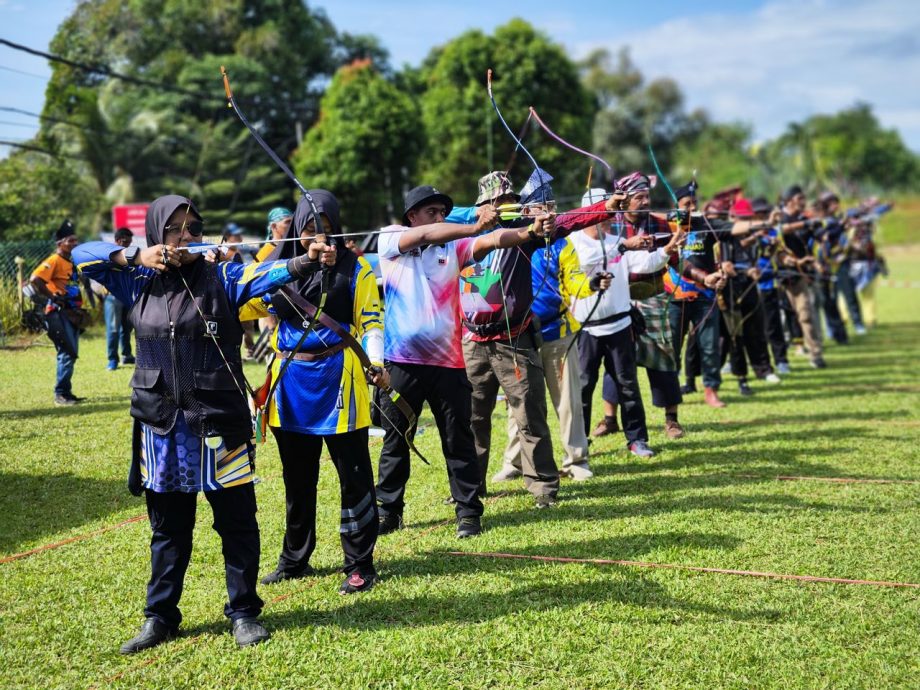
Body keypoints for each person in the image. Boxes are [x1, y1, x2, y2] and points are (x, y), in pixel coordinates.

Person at [74, 194, 321, 653]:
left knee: (237, 523)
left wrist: (304, 261)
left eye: (193, 228)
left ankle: (244, 612)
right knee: (168, 528)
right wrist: (133, 255)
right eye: (174, 229)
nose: (186, 237)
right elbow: (80, 255)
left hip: (220, 424)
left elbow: (263, 274)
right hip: (161, 430)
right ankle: (160, 617)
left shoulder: (222, 275)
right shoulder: (136, 280)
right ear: (155, 235)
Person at [375, 184, 550, 535]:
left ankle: (468, 512)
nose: (438, 218)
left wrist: (529, 231)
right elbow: (426, 234)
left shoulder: (454, 248)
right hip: (402, 363)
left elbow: (494, 241)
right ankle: (388, 511)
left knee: (458, 440)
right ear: (412, 216)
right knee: (396, 440)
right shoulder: (391, 238)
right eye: (432, 212)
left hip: (449, 364)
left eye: (443, 212)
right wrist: (473, 222)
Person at [243, 191, 388, 594]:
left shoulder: (355, 267)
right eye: (308, 230)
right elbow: (243, 299)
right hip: (290, 382)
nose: (318, 239)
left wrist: (377, 362)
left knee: (354, 476)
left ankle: (360, 563)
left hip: (339, 379)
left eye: (326, 231)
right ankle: (294, 559)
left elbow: (371, 319)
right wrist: (275, 255)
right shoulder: (281, 267)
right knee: (297, 478)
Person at [447, 170, 618, 504]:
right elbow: (437, 218)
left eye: (511, 201)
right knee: (472, 418)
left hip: (513, 339)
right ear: (484, 205)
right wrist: (476, 216)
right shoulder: (462, 234)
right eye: (498, 202)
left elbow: (567, 222)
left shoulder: (525, 234)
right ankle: (469, 488)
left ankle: (543, 487)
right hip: (472, 342)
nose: (506, 207)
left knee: (529, 413)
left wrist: (606, 208)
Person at [569, 187, 684, 457]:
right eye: (604, 212)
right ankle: (579, 442)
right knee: (584, 387)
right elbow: (585, 262)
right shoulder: (573, 241)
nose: (609, 218)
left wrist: (667, 249)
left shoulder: (615, 239)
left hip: (620, 325)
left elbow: (643, 263)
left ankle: (636, 439)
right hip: (587, 328)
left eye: (611, 213)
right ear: (589, 213)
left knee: (628, 385)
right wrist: (622, 246)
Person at [493, 176, 592, 483]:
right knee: (517, 402)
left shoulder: (563, 243)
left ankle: (576, 460)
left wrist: (592, 284)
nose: (548, 212)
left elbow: (575, 280)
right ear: (527, 209)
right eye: (541, 206)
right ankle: (514, 462)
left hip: (556, 333)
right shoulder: (514, 238)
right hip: (521, 336)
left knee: (568, 401)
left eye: (552, 206)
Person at [601, 172, 685, 448]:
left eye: (647, 196)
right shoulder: (610, 227)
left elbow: (673, 259)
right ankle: (610, 418)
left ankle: (671, 418)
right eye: (639, 197)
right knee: (616, 359)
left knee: (663, 355)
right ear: (623, 200)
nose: (645, 201)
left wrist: (700, 275)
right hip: (619, 299)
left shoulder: (660, 224)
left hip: (653, 299)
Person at [666, 181, 733, 410]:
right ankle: (672, 391)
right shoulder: (668, 224)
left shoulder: (707, 224)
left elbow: (732, 230)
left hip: (705, 295)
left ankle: (711, 390)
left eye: (695, 203)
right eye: (686, 204)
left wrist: (759, 224)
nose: (691, 208)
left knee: (709, 346)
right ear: (676, 205)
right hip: (676, 296)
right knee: (673, 346)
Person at [719, 198, 781, 394]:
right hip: (730, 289)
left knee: (757, 329)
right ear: (733, 218)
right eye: (741, 218)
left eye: (748, 218)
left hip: (750, 288)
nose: (745, 222)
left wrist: (769, 248)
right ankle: (735, 376)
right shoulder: (725, 238)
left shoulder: (755, 237)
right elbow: (726, 265)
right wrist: (747, 271)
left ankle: (764, 369)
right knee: (734, 334)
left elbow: (759, 253)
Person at [30, 220, 85, 405]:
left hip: (72, 313)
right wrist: (53, 297)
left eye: (76, 240)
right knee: (66, 352)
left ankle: (66, 392)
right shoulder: (54, 260)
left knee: (70, 352)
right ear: (60, 243)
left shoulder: (71, 261)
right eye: (71, 240)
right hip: (58, 313)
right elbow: (35, 279)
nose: (74, 243)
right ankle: (60, 394)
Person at [777, 185, 826, 368]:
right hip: (775, 277)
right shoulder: (778, 217)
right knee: (777, 322)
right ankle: (779, 361)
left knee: (806, 314)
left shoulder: (805, 218)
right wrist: (805, 223)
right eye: (800, 199)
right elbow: (779, 230)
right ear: (789, 200)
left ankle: (815, 354)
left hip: (797, 276)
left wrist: (825, 233)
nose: (803, 202)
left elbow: (819, 235)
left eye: (804, 199)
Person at [750, 197, 792, 374]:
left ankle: (781, 360)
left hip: (769, 284)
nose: (763, 216)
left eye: (765, 213)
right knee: (750, 328)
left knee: (773, 325)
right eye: (759, 213)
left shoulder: (774, 232)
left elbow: (781, 253)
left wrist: (787, 259)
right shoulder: (747, 231)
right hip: (748, 285)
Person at [104, 227, 136, 370]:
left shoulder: (129, 254)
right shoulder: (108, 255)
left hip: (127, 297)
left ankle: (127, 355)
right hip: (113, 298)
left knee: (127, 328)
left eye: (129, 243)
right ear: (117, 241)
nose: (127, 245)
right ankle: (112, 360)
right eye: (125, 242)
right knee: (113, 329)